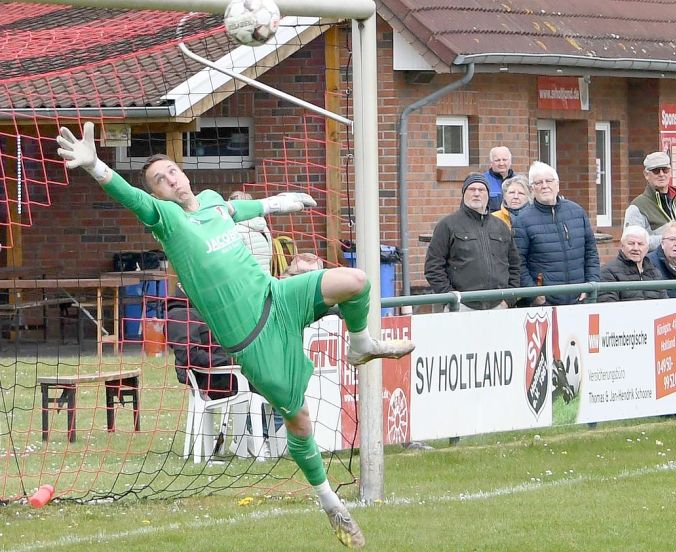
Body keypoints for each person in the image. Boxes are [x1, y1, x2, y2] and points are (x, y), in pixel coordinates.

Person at [56, 122, 413, 549]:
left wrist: (279, 202)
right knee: (299, 420)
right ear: (158, 194)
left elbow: (235, 210)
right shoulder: (168, 220)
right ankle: (330, 502)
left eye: (173, 171)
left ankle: (361, 346)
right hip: (252, 339)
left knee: (355, 281)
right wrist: (97, 167)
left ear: (184, 175)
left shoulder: (209, 201)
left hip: (277, 296)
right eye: (159, 180)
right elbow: (132, 199)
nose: (171, 179)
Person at [424, 173, 521, 310]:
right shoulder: (447, 225)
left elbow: (515, 265)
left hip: (499, 306)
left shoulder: (500, 226)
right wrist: (450, 298)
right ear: (464, 194)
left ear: (488, 195)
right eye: (472, 189)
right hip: (461, 306)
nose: (476, 193)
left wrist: (509, 299)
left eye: (481, 190)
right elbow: (433, 267)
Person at [512, 161, 600, 306]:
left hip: (580, 300)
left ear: (557, 184)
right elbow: (518, 263)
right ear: (532, 189)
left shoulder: (577, 212)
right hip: (544, 305)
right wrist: (534, 294)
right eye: (539, 182)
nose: (545, 186)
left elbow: (591, 253)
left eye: (549, 181)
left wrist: (591, 284)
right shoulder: (522, 220)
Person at [624, 151, 676, 264]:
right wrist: (669, 239)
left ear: (670, 172)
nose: (661, 174)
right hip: (654, 272)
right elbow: (632, 242)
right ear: (646, 174)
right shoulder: (637, 207)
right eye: (656, 171)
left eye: (665, 170)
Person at [166, 291, 237, 399]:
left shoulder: (204, 310)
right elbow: (189, 356)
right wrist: (228, 361)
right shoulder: (180, 314)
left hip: (230, 372)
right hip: (216, 377)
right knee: (265, 382)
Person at [596, 226, 668, 302]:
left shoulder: (655, 273)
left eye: (640, 244)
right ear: (622, 246)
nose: (636, 248)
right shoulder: (607, 272)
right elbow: (609, 307)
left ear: (647, 248)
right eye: (631, 243)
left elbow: (665, 304)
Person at [230, 190, 274, 274]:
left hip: (248, 279)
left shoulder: (237, 230)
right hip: (266, 275)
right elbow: (270, 255)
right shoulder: (264, 227)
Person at [481, 146, 514, 213]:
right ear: (491, 162)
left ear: (510, 161)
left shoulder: (519, 181)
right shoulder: (482, 181)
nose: (501, 163)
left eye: (504, 160)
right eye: (497, 160)